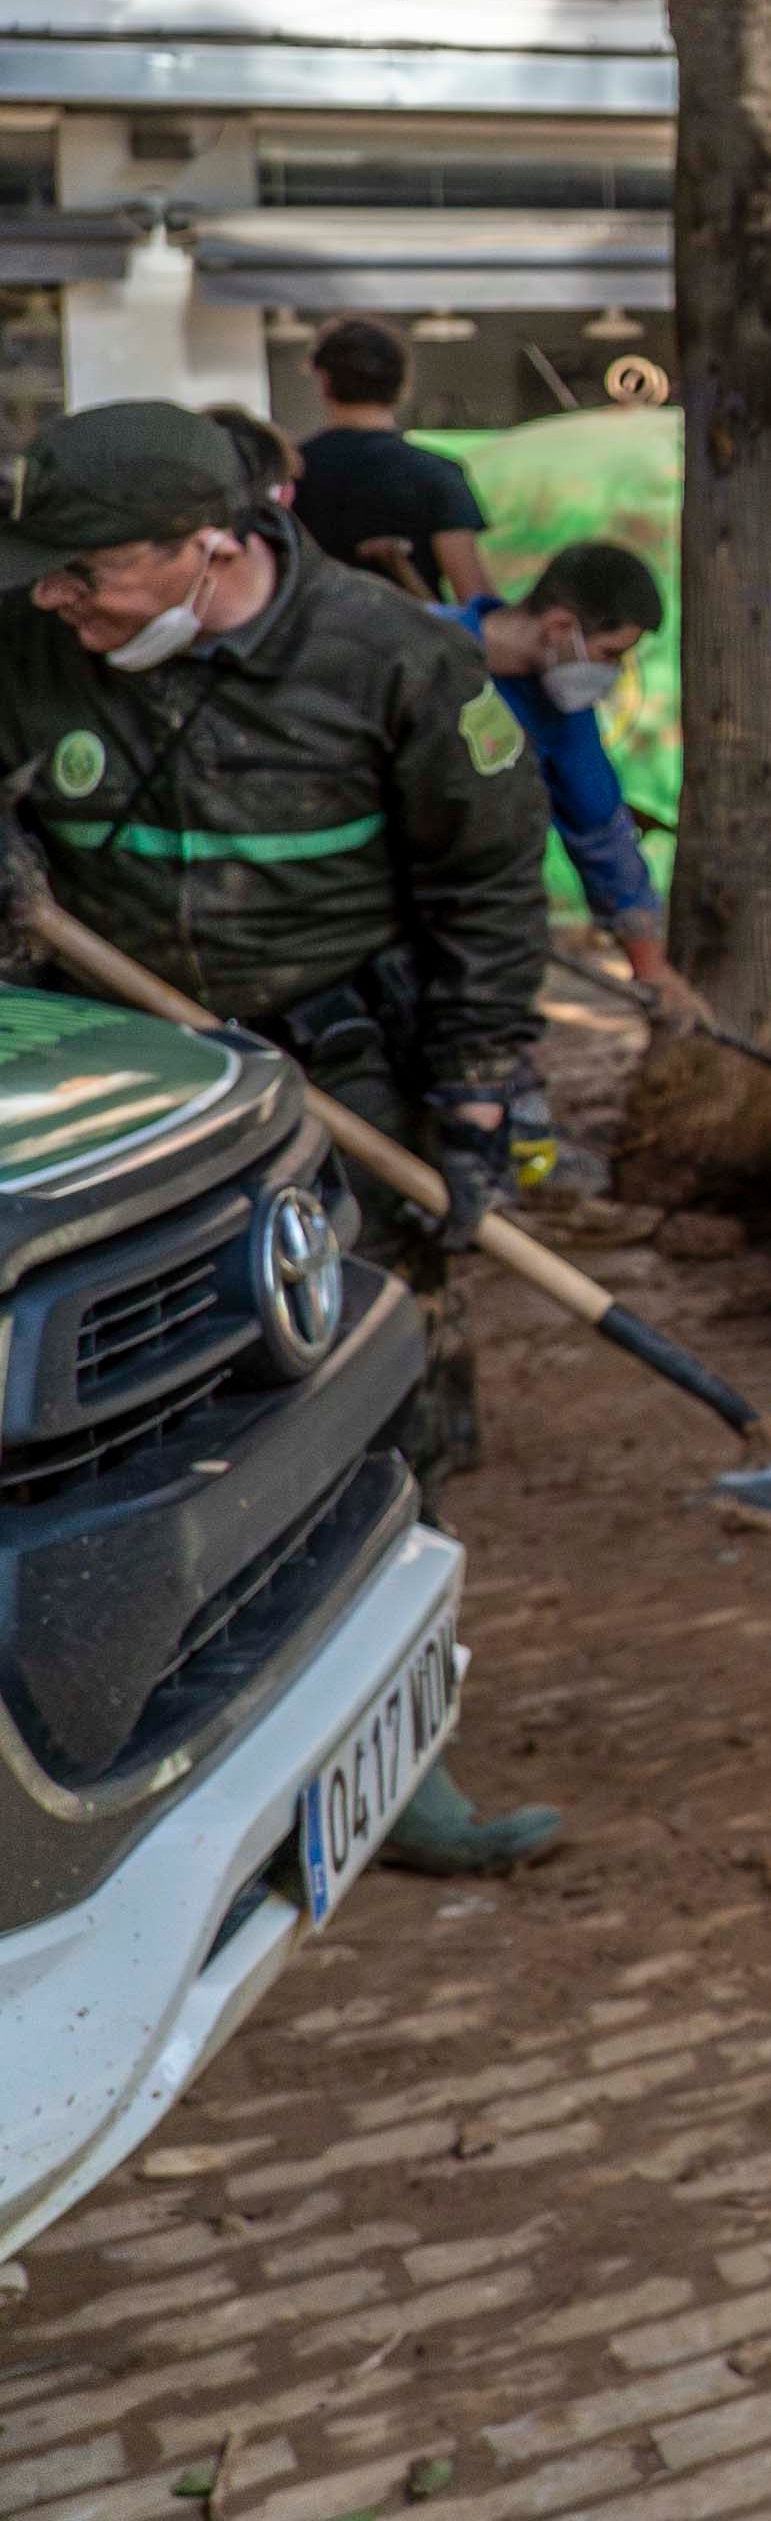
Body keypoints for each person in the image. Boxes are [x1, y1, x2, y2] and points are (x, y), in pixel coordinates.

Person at [0, 398, 570, 1874]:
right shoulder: (30, 636)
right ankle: (162, 1764)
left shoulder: (394, 661)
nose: (58, 602)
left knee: (369, 1424)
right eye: (44, 575)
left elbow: (491, 895)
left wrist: (478, 1093)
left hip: (335, 1093)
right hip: (116, 1105)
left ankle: (404, 1753)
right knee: (146, 1446)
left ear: (209, 551)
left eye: (87, 577)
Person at [461, 538, 698, 1039]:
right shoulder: (412, 652)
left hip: (478, 937)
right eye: (610, 654)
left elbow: (600, 830)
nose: (611, 673)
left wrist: (650, 968)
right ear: (560, 627)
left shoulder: (562, 714)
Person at [292, 315, 491, 603]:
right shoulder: (437, 474)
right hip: (415, 642)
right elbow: (474, 597)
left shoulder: (290, 473)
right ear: (404, 385)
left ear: (323, 380)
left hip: (311, 643)